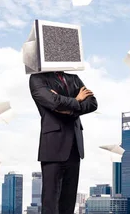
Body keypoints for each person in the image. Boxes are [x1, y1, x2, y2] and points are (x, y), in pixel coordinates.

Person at [29, 71, 98, 214]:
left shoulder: (74, 78)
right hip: (53, 145)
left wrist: (67, 108)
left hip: (75, 146)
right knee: (51, 202)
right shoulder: (37, 78)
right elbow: (52, 102)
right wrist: (77, 99)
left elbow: (92, 103)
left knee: (69, 202)